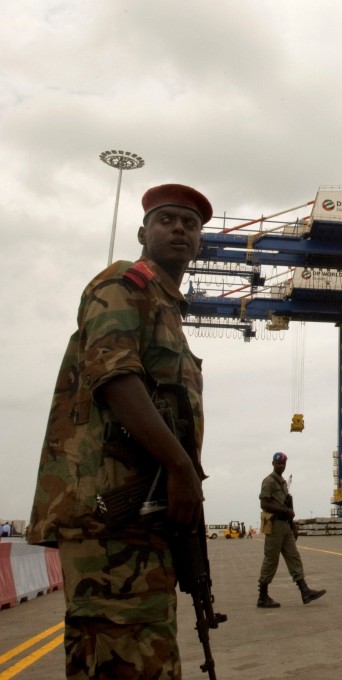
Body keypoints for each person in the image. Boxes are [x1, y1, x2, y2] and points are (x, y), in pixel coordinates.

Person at [26, 184, 212, 679]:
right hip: (108, 512)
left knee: (146, 652)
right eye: (167, 220)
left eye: (190, 225)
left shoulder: (167, 308)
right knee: (119, 656)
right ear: (142, 232)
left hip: (140, 515)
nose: (179, 230)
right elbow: (114, 374)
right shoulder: (123, 285)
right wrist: (180, 467)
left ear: (200, 243)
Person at [257, 452, 326, 608]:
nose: (281, 466)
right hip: (274, 526)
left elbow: (287, 504)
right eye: (278, 463)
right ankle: (262, 596)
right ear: (273, 464)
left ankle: (305, 591)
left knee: (294, 557)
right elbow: (264, 504)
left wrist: (293, 526)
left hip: (285, 526)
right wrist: (284, 511)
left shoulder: (282, 482)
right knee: (271, 560)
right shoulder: (269, 481)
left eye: (283, 464)